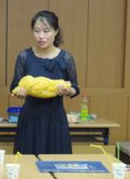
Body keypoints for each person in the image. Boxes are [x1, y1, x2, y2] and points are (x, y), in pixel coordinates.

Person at [10, 10, 80, 155]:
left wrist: (69, 91)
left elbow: (75, 87)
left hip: (56, 118)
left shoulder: (66, 58)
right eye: (37, 31)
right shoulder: (24, 56)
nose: (41, 36)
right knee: (27, 162)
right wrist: (19, 92)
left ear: (56, 31)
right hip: (30, 118)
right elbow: (15, 86)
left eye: (46, 31)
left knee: (56, 161)